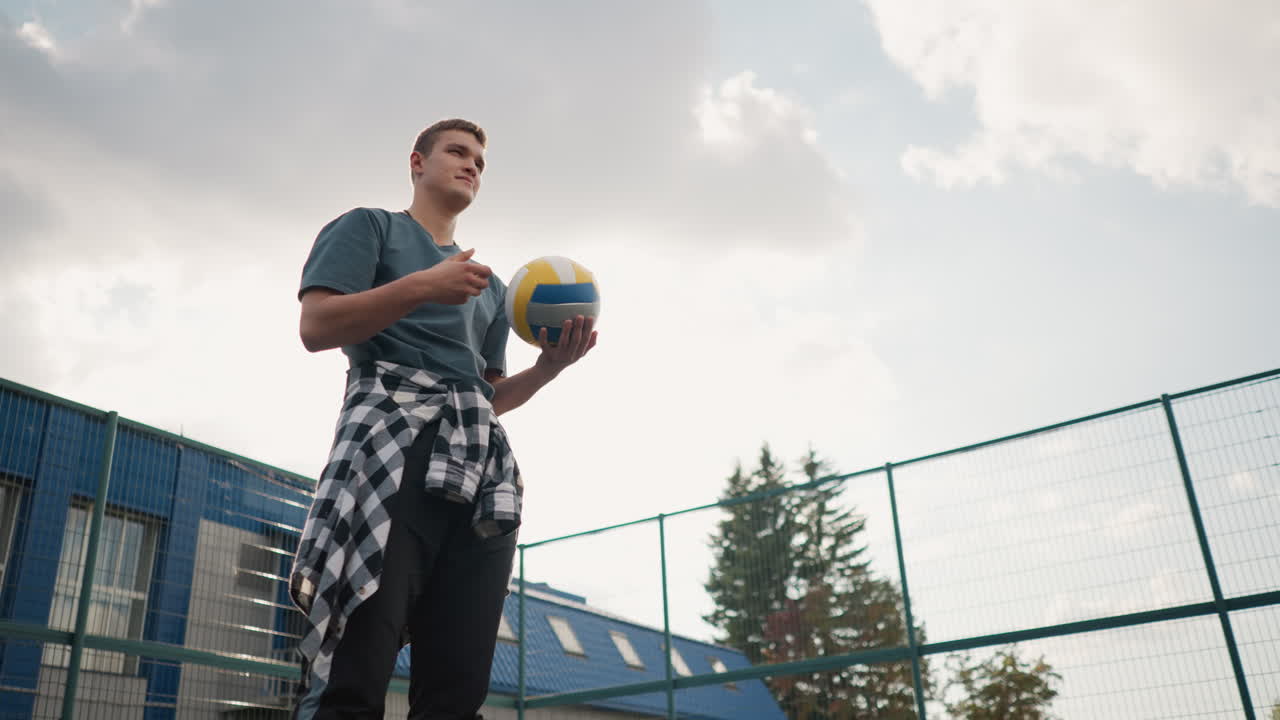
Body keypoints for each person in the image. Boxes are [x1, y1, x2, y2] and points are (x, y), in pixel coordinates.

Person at [288, 118, 597, 719]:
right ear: (417, 162)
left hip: (480, 471)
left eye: (480, 161)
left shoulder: (492, 291)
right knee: (359, 658)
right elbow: (316, 326)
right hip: (388, 447)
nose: (471, 165)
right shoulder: (369, 228)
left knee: (458, 684)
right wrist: (423, 286)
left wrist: (549, 370)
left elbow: (487, 396)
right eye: (458, 152)